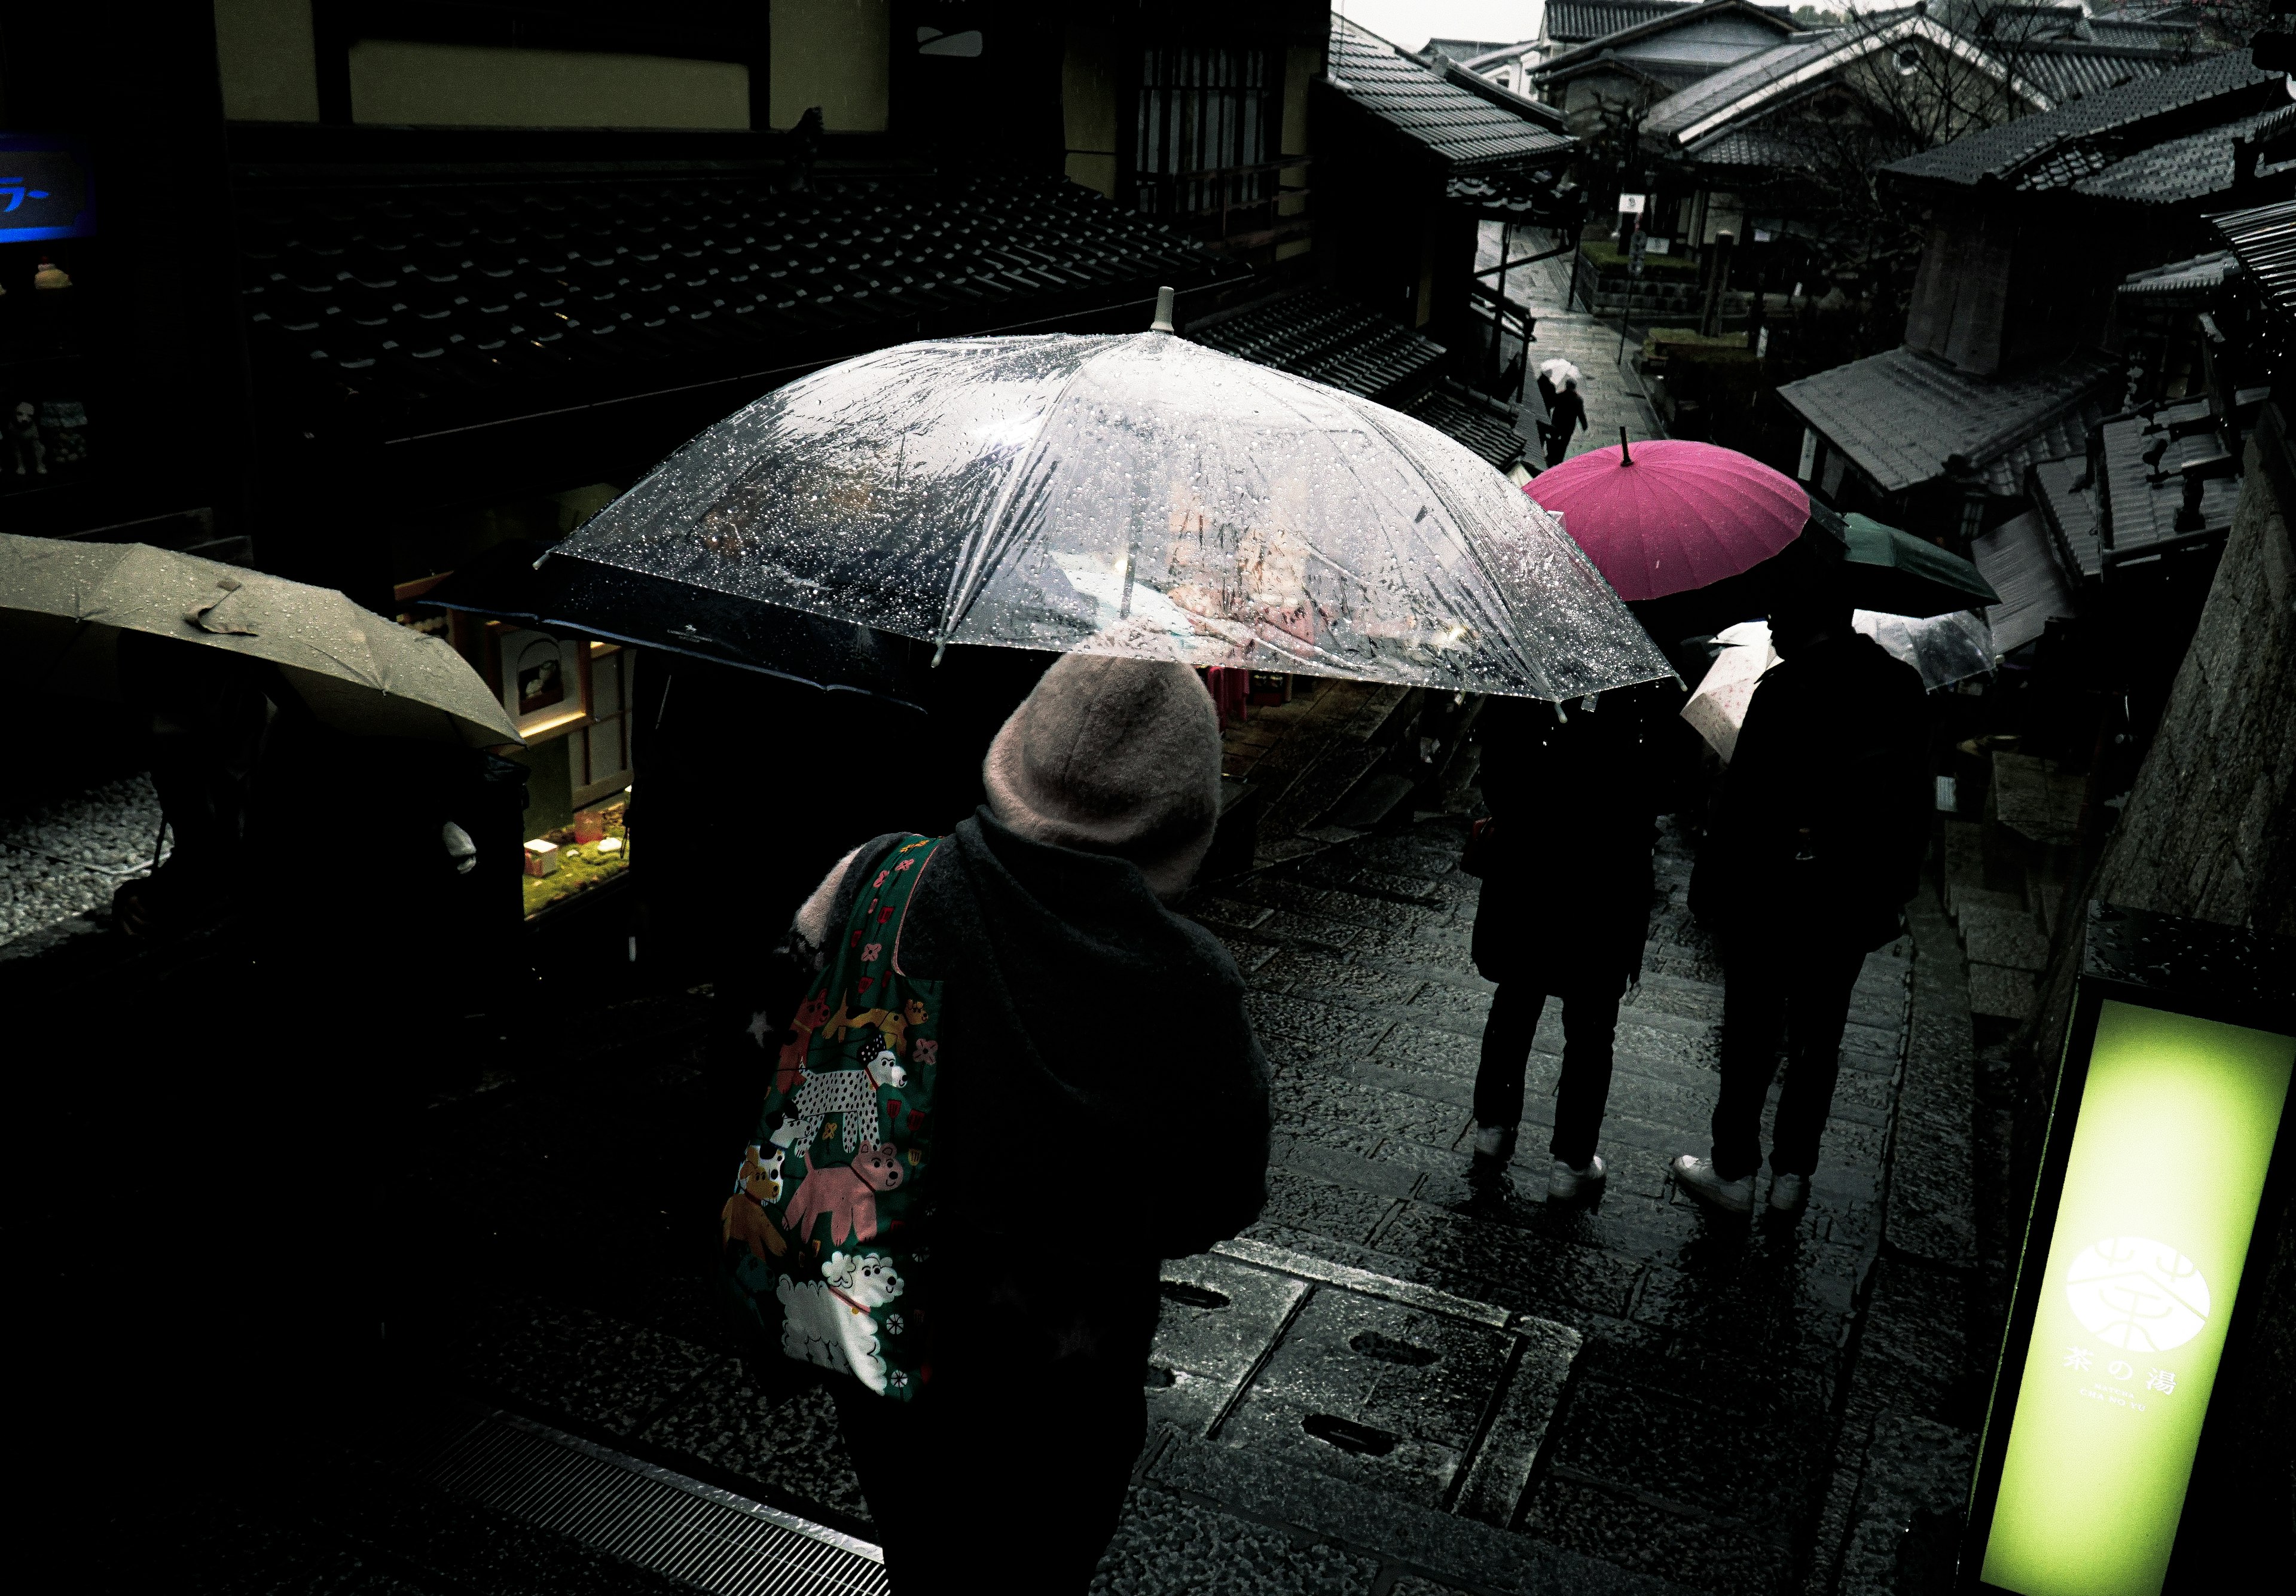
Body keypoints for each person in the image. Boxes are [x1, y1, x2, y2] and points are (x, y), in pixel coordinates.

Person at [724, 654, 1271, 1593]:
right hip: (1069, 1373)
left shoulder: (876, 877)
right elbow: (1218, 1198)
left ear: (1017, 746)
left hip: (885, 1322)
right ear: (1184, 811)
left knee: (921, 1550)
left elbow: (756, 1048)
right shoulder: (1193, 982)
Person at [1674, 579, 1930, 1215]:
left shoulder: (1785, 691)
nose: (1770, 626)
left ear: (1799, 617)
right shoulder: (1901, 686)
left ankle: (1733, 1171)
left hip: (1770, 894)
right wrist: (1897, 888)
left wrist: (1708, 888)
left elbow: (1740, 808)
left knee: (1753, 1034)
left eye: (1775, 613)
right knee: (1819, 1038)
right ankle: (1794, 1176)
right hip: (1851, 898)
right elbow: (1919, 799)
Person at [1467, 684, 1663, 1200]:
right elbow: (1656, 791)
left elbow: (1495, 778)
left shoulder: (1528, 683)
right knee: (1592, 1026)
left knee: (1515, 1003)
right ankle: (1571, 1162)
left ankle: (1493, 1129)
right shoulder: (1637, 695)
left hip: (1528, 877)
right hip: (1605, 886)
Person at [1544, 377, 1587, 467]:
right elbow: (1581, 414)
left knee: (1554, 440)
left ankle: (1551, 457)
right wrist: (1584, 425)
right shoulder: (1578, 400)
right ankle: (1558, 460)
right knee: (1564, 444)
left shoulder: (1560, 396)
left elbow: (1551, 405)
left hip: (1557, 423)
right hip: (1568, 427)